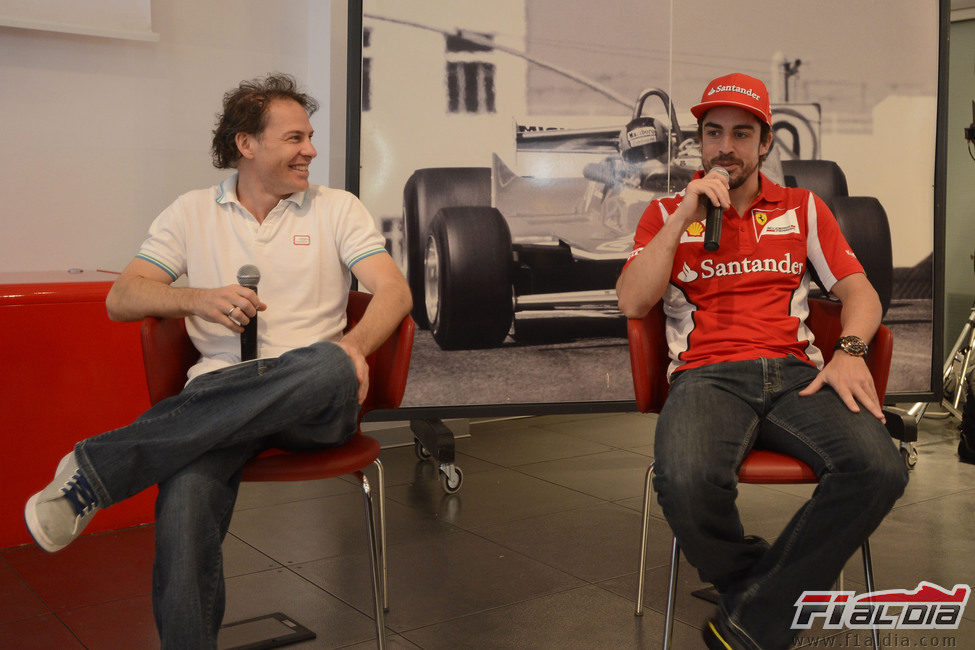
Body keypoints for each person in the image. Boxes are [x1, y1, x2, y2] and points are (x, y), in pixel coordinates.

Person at [24, 73, 412, 649]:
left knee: (328, 363)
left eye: (309, 137)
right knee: (184, 494)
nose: (309, 150)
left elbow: (395, 293)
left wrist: (353, 350)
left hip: (314, 402)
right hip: (221, 399)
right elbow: (121, 297)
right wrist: (198, 298)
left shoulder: (337, 208)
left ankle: (97, 470)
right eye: (293, 138)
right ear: (246, 144)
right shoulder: (189, 212)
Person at [616, 72, 908, 650]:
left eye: (742, 134)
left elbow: (860, 292)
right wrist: (684, 216)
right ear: (698, 141)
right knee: (687, 481)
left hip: (796, 373)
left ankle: (753, 618)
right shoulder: (666, 213)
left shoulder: (803, 208)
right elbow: (632, 301)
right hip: (706, 378)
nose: (727, 147)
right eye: (714, 133)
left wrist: (850, 353)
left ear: (766, 141)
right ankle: (768, 591)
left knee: (880, 467)